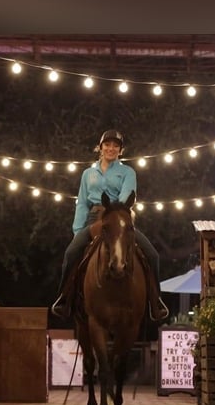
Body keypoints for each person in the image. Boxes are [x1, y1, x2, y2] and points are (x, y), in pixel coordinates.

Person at [51, 129, 169, 321]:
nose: (111, 148)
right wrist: (77, 230)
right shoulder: (88, 174)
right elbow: (82, 202)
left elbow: (127, 194)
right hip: (93, 217)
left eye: (115, 146)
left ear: (121, 150)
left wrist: (114, 212)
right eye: (107, 145)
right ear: (100, 147)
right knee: (71, 253)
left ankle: (156, 302)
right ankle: (64, 299)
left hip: (118, 218)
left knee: (152, 255)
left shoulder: (127, 172)